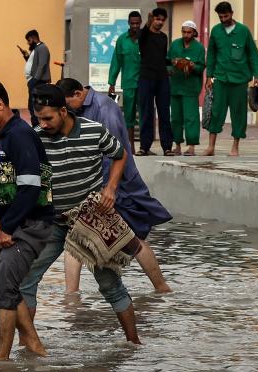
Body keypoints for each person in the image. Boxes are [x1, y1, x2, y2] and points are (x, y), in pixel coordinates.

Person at [18, 83, 141, 344]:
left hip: (90, 221)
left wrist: (111, 188)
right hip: (53, 221)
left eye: (48, 118)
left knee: (110, 285)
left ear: (63, 111)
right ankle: (28, 347)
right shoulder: (36, 137)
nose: (43, 124)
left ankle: (134, 344)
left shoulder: (93, 131)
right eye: (39, 118)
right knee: (26, 281)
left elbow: (120, 154)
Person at [53, 78, 172, 294]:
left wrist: (108, 189)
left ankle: (162, 288)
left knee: (133, 240)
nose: (65, 111)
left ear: (79, 94)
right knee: (75, 238)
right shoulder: (76, 113)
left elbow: (115, 154)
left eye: (67, 106)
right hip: (92, 187)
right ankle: (71, 297)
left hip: (117, 187)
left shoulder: (104, 108)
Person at [0, 78, 54, 360]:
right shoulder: (1, 138)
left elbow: (30, 186)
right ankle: (33, 345)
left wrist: (6, 227)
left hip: (28, 224)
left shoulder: (19, 135)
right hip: (15, 224)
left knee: (4, 286)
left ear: (0, 105)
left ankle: (1, 360)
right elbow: (2, 184)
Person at [203, 1, 258, 157]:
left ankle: (235, 147)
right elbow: (212, 55)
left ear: (232, 13)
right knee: (216, 112)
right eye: (220, 17)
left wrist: (257, 76)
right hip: (221, 79)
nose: (223, 19)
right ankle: (211, 147)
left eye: (226, 16)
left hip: (239, 80)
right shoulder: (216, 31)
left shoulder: (243, 31)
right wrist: (209, 76)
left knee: (239, 113)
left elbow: (253, 55)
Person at [137, 8, 173, 156]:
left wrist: (172, 63)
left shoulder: (164, 38)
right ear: (152, 19)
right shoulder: (143, 34)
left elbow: (162, 57)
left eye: (162, 20)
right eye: (157, 19)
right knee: (146, 113)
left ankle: (167, 147)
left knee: (164, 113)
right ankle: (144, 146)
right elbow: (142, 35)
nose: (160, 22)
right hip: (146, 78)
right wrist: (148, 20)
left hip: (162, 78)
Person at [167, 20, 205, 156]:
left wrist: (191, 66)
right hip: (175, 86)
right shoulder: (175, 44)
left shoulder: (199, 48)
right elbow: (167, 61)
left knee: (191, 118)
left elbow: (201, 68)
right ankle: (177, 145)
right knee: (176, 118)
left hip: (190, 88)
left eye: (189, 32)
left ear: (194, 33)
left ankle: (191, 147)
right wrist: (171, 67)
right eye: (184, 31)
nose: (186, 34)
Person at [108, 11, 142, 152]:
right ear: (128, 23)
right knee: (129, 116)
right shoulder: (122, 40)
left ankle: (144, 147)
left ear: (140, 22)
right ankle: (131, 146)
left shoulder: (145, 38)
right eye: (132, 23)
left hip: (144, 83)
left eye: (137, 23)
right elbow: (116, 61)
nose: (135, 26)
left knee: (145, 114)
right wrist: (112, 82)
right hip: (128, 83)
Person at [19, 30, 51, 127]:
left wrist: (35, 79)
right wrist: (26, 55)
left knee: (36, 107)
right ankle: (36, 127)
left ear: (33, 38)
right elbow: (33, 64)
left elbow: (42, 64)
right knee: (32, 107)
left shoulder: (42, 48)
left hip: (38, 82)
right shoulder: (36, 49)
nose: (28, 43)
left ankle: (38, 128)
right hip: (34, 81)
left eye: (29, 40)